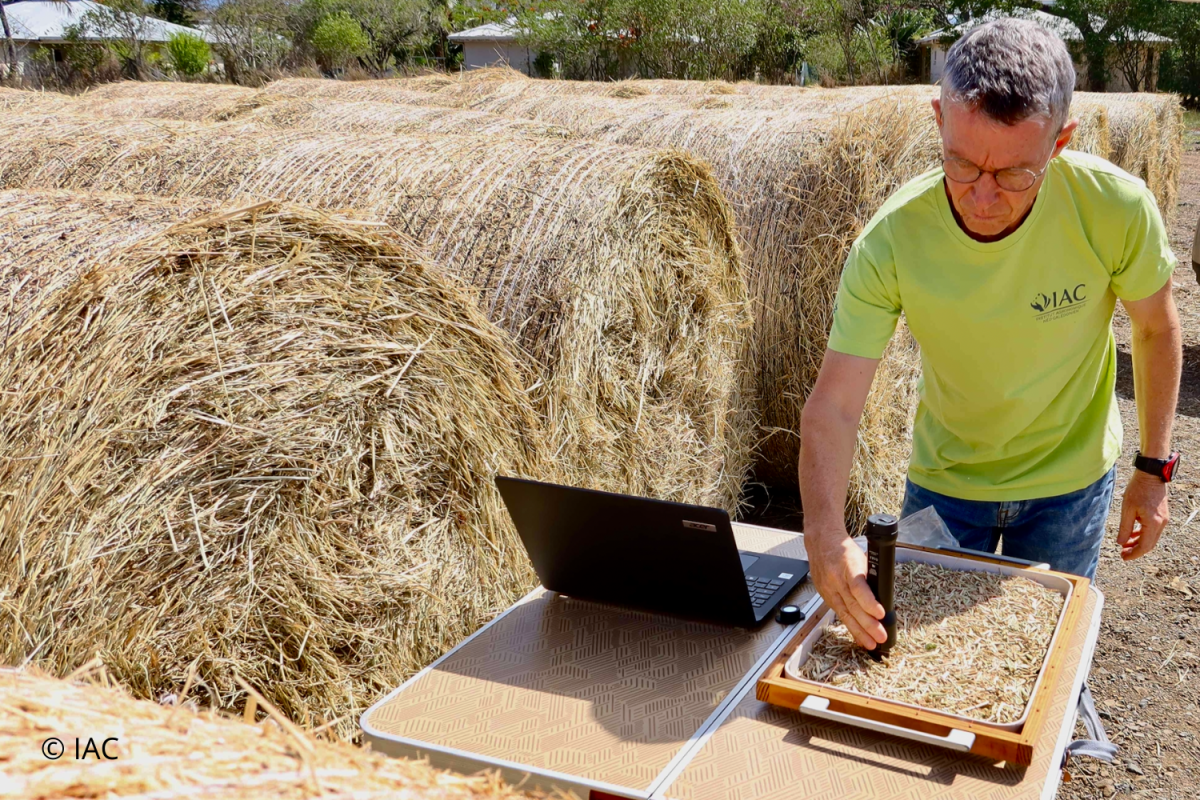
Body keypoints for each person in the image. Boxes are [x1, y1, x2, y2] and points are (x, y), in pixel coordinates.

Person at [799, 18, 1182, 651]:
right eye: (960, 163)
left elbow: (1154, 328)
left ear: (1060, 143)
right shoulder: (893, 239)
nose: (982, 196)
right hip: (946, 481)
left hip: (1070, 485)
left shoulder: (1115, 208)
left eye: (1014, 175)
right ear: (938, 119)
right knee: (910, 654)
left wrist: (1153, 469)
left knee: (1041, 658)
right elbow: (835, 404)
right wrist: (824, 534)